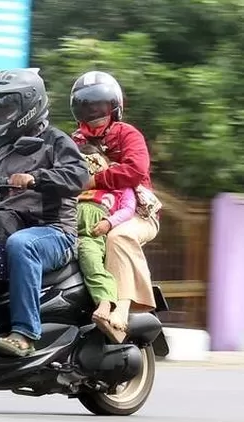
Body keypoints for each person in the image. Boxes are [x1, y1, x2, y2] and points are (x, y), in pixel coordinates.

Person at [0, 68, 90, 358]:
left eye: (6, 106)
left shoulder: (56, 141)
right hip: (9, 224)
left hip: (54, 232)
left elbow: (78, 177)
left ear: (28, 106)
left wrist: (36, 177)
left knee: (22, 245)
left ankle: (24, 333)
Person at [70, 71, 161, 338]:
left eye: (100, 105)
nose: (94, 112)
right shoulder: (75, 141)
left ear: (114, 107)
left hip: (136, 213)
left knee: (118, 237)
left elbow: (135, 170)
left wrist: (93, 181)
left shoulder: (127, 134)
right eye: (87, 106)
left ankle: (120, 309)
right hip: (90, 211)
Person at [75, 142, 137, 343]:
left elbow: (128, 209)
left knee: (89, 256)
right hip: (67, 227)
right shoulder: (76, 185)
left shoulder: (117, 181)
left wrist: (108, 223)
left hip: (92, 232)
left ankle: (105, 302)